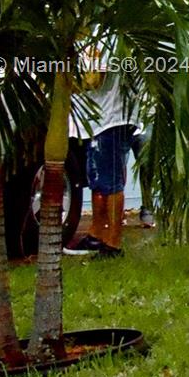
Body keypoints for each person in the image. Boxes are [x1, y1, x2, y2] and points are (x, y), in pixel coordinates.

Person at [65, 58, 137, 258]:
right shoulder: (87, 39)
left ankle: (112, 244)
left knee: (110, 182)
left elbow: (95, 78)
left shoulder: (106, 37)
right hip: (96, 121)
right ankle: (96, 235)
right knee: (97, 180)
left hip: (111, 120)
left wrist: (60, 80)